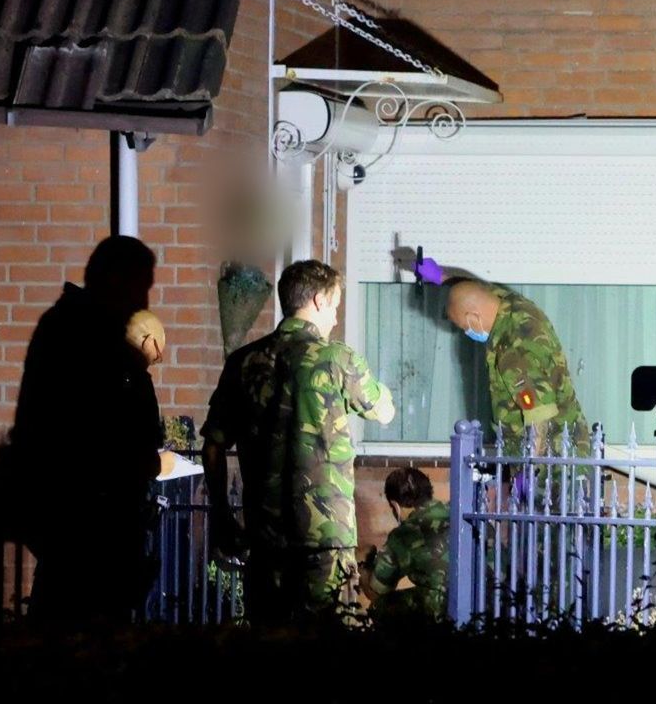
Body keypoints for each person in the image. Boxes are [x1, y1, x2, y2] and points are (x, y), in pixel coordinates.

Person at [201, 259, 395, 624]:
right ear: (319, 301)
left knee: (270, 638)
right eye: (334, 306)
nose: (335, 318)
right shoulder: (337, 359)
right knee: (328, 636)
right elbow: (384, 411)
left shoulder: (243, 362)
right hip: (324, 536)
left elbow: (212, 447)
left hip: (265, 536)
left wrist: (223, 517)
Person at [6, 235, 163, 624]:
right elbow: (97, 427)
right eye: (140, 285)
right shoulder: (85, 335)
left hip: (88, 518)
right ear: (116, 280)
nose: (144, 299)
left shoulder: (78, 329)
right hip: (87, 518)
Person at [444, 279, 589, 457]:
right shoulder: (515, 306)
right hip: (570, 445)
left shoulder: (512, 353)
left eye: (464, 327)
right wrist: (439, 276)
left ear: (473, 317)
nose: (466, 332)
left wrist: (529, 468)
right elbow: (477, 290)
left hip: (555, 460)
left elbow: (539, 418)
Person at [359, 468, 449, 620]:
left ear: (395, 506)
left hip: (447, 611)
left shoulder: (404, 534)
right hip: (485, 603)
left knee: (381, 607)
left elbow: (376, 591)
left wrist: (363, 566)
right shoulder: (459, 513)